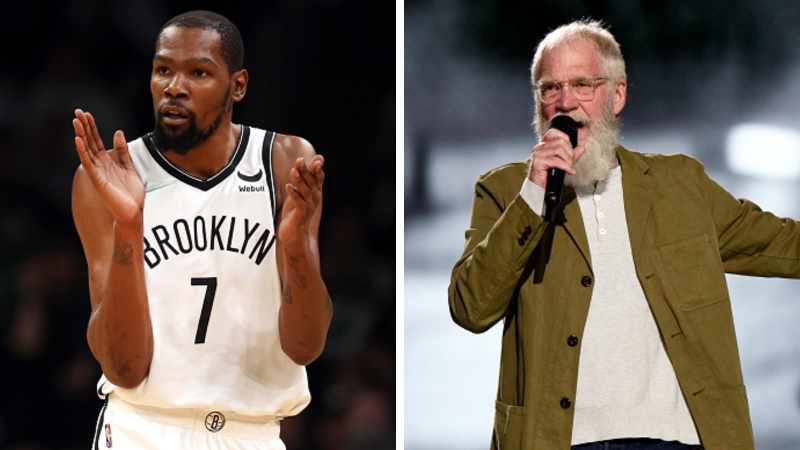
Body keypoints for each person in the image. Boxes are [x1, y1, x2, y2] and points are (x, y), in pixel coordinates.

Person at [448, 19, 800, 450]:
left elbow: (782, 243)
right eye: (550, 88)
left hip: (679, 440)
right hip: (559, 440)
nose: (566, 103)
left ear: (617, 95)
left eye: (583, 85)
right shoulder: (505, 192)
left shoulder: (680, 184)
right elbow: (471, 307)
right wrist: (534, 193)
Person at [71, 10, 332, 450]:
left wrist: (292, 247)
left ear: (238, 86)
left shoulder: (283, 162)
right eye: (163, 70)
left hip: (252, 434)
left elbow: (306, 346)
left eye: (198, 72)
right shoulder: (107, 177)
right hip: (141, 429)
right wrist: (129, 227)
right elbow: (123, 368)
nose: (175, 86)